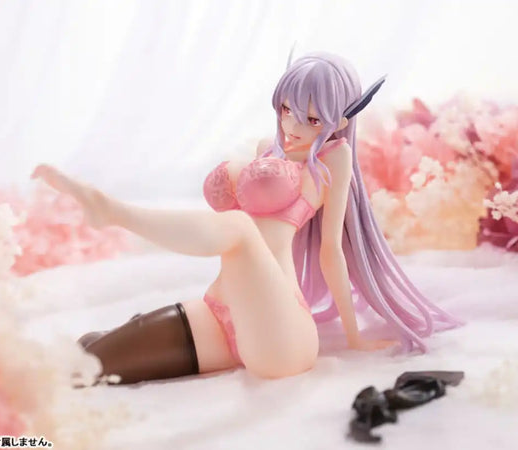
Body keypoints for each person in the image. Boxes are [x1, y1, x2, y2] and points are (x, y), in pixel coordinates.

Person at [31, 51, 463, 386]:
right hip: (225, 312)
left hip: (284, 333)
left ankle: (114, 212)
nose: (292, 124)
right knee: (86, 361)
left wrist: (353, 337)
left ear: (339, 120)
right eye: (286, 109)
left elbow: (332, 250)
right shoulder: (265, 149)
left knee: (239, 231)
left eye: (312, 118)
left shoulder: (336, 157)